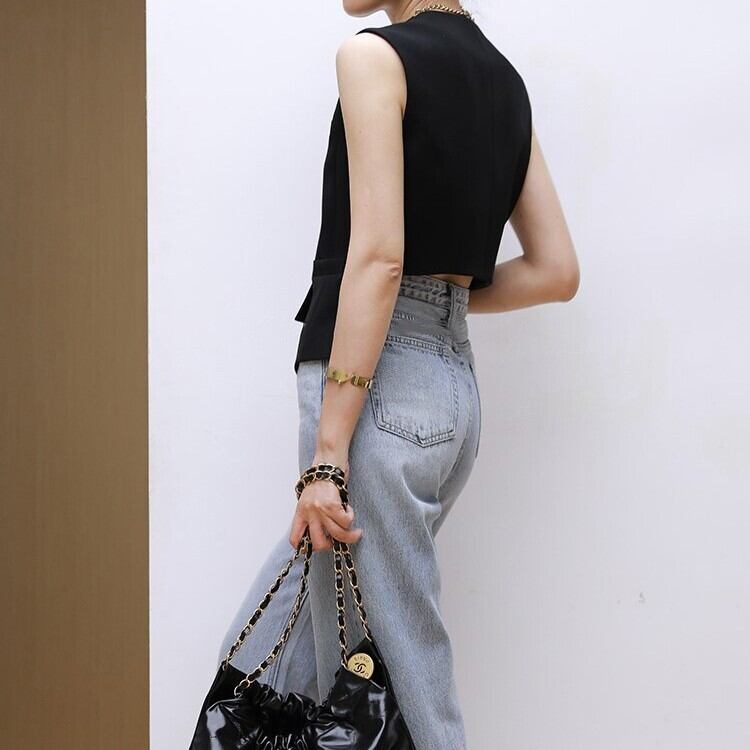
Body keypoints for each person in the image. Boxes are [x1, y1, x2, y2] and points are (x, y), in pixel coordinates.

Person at [217, 2, 579, 748]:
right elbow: (555, 270)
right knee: (261, 673)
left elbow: (380, 257)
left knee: (398, 686)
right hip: (449, 395)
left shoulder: (373, 56)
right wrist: (441, 299)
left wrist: (328, 455)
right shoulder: (504, 83)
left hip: (375, 393)